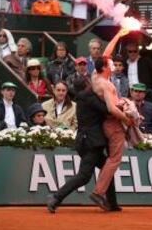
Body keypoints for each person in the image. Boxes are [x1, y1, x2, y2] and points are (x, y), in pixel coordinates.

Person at [47, 76, 121, 213]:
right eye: (90, 83)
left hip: (89, 142)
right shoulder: (87, 96)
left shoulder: (85, 97)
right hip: (90, 143)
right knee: (84, 176)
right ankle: (56, 197)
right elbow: (106, 109)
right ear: (87, 85)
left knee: (107, 170)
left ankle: (113, 204)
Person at [90, 28, 134, 210]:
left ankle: (105, 196)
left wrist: (118, 35)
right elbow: (110, 108)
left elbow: (106, 53)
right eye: (111, 64)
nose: (114, 65)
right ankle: (98, 192)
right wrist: (127, 119)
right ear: (106, 67)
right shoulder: (106, 85)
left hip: (106, 123)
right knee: (114, 159)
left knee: (111, 159)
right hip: (113, 124)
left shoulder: (95, 75)